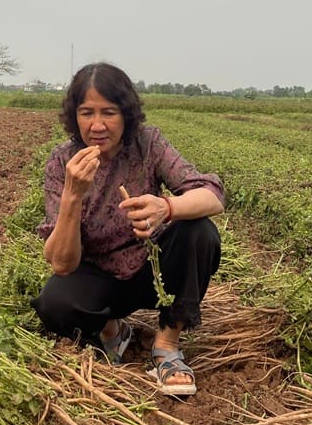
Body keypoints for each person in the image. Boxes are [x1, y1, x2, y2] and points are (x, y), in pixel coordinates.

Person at [31, 62, 224, 396]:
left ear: (127, 114)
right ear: (74, 117)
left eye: (109, 112)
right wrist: (72, 197)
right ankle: (112, 330)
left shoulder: (147, 145)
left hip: (152, 271)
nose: (97, 125)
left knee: (200, 232)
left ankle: (167, 346)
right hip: (98, 277)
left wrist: (167, 208)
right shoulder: (63, 161)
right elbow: (62, 264)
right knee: (54, 303)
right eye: (86, 112)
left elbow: (212, 195)